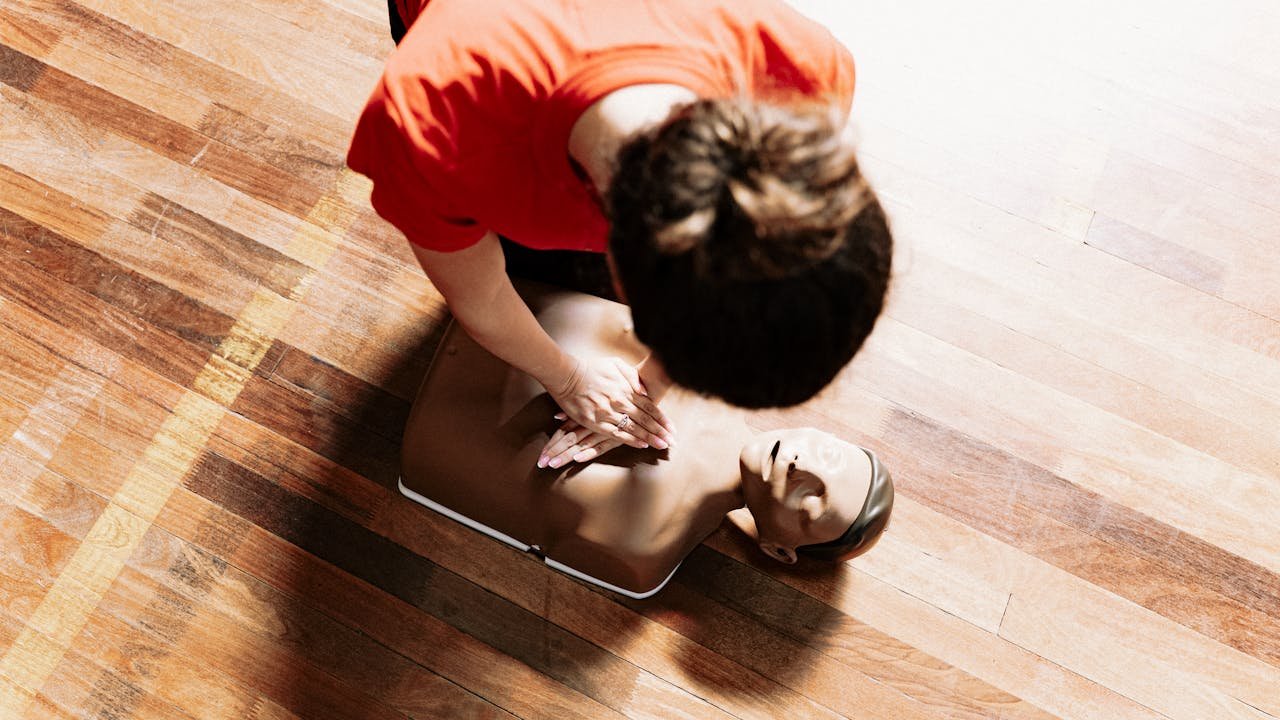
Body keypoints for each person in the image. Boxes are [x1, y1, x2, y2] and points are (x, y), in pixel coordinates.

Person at [350, 0, 894, 466]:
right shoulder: (430, 125)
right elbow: (485, 296)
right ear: (611, 265)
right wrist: (568, 380)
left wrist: (645, 388)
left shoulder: (805, 68)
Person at [399, 283, 893, 597]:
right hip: (482, 297)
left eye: (811, 499)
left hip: (449, 380)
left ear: (779, 549)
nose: (801, 465)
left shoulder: (647, 545)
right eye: (828, 452)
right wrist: (577, 384)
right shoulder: (709, 363)